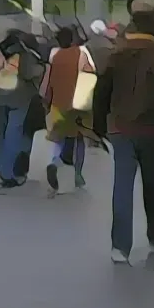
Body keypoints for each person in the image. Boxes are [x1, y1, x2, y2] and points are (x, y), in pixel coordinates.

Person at [94, 0, 154, 264]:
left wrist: (99, 125)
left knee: (122, 186)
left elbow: (102, 92)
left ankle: (119, 247)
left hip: (121, 129)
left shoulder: (116, 52)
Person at [40, 26, 96, 194]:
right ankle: (78, 175)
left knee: (59, 138)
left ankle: (53, 162)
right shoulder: (81, 54)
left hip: (58, 102)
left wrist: (48, 100)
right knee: (79, 139)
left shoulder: (56, 57)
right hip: (78, 103)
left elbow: (50, 80)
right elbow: (91, 75)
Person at [0, 29, 45, 188]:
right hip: (19, 98)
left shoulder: (0, 51)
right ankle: (10, 173)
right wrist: (41, 69)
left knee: (1, 133)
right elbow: (27, 74)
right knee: (13, 133)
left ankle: (4, 169)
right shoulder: (27, 54)